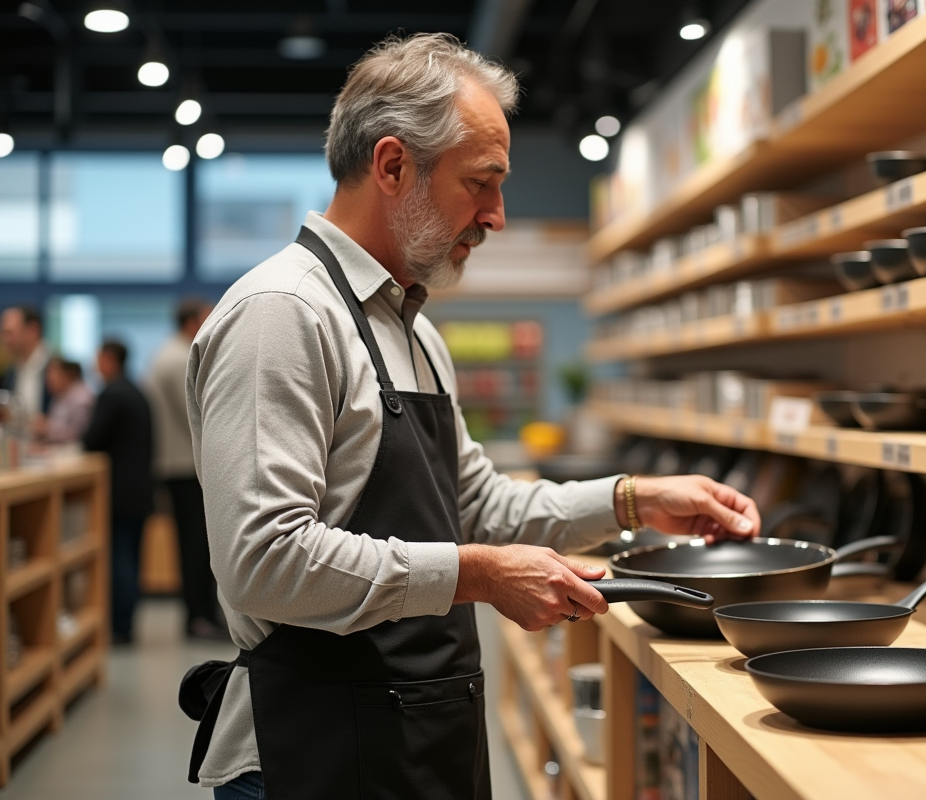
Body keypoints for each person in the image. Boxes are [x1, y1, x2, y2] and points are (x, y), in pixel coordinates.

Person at [184, 33, 760, 800]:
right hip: (310, 753)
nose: (497, 215)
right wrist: (481, 575)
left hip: (420, 739)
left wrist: (634, 500)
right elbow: (265, 562)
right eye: (481, 183)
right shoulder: (283, 316)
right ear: (392, 166)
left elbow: (478, 506)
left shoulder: (414, 331)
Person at [145, 298, 224, 641]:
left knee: (196, 544)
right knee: (196, 547)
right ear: (192, 321)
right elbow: (197, 414)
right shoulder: (178, 358)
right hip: (184, 468)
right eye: (206, 317)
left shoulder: (169, 353)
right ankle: (199, 618)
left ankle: (201, 615)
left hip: (179, 466)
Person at [84, 340, 154, 646]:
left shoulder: (111, 394)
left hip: (118, 493)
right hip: (140, 489)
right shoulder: (137, 391)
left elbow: (92, 439)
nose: (95, 364)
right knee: (132, 558)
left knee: (120, 559)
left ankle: (120, 627)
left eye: (98, 358)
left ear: (110, 359)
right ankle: (126, 623)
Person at [1, 305, 51, 424]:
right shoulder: (11, 372)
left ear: (32, 330)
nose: (5, 339)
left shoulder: (55, 369)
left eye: (10, 333)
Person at [34, 357, 94, 444]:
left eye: (52, 373)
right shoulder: (60, 395)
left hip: (76, 453)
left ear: (66, 375)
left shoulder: (82, 398)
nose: (48, 379)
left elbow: (77, 434)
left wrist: (47, 428)